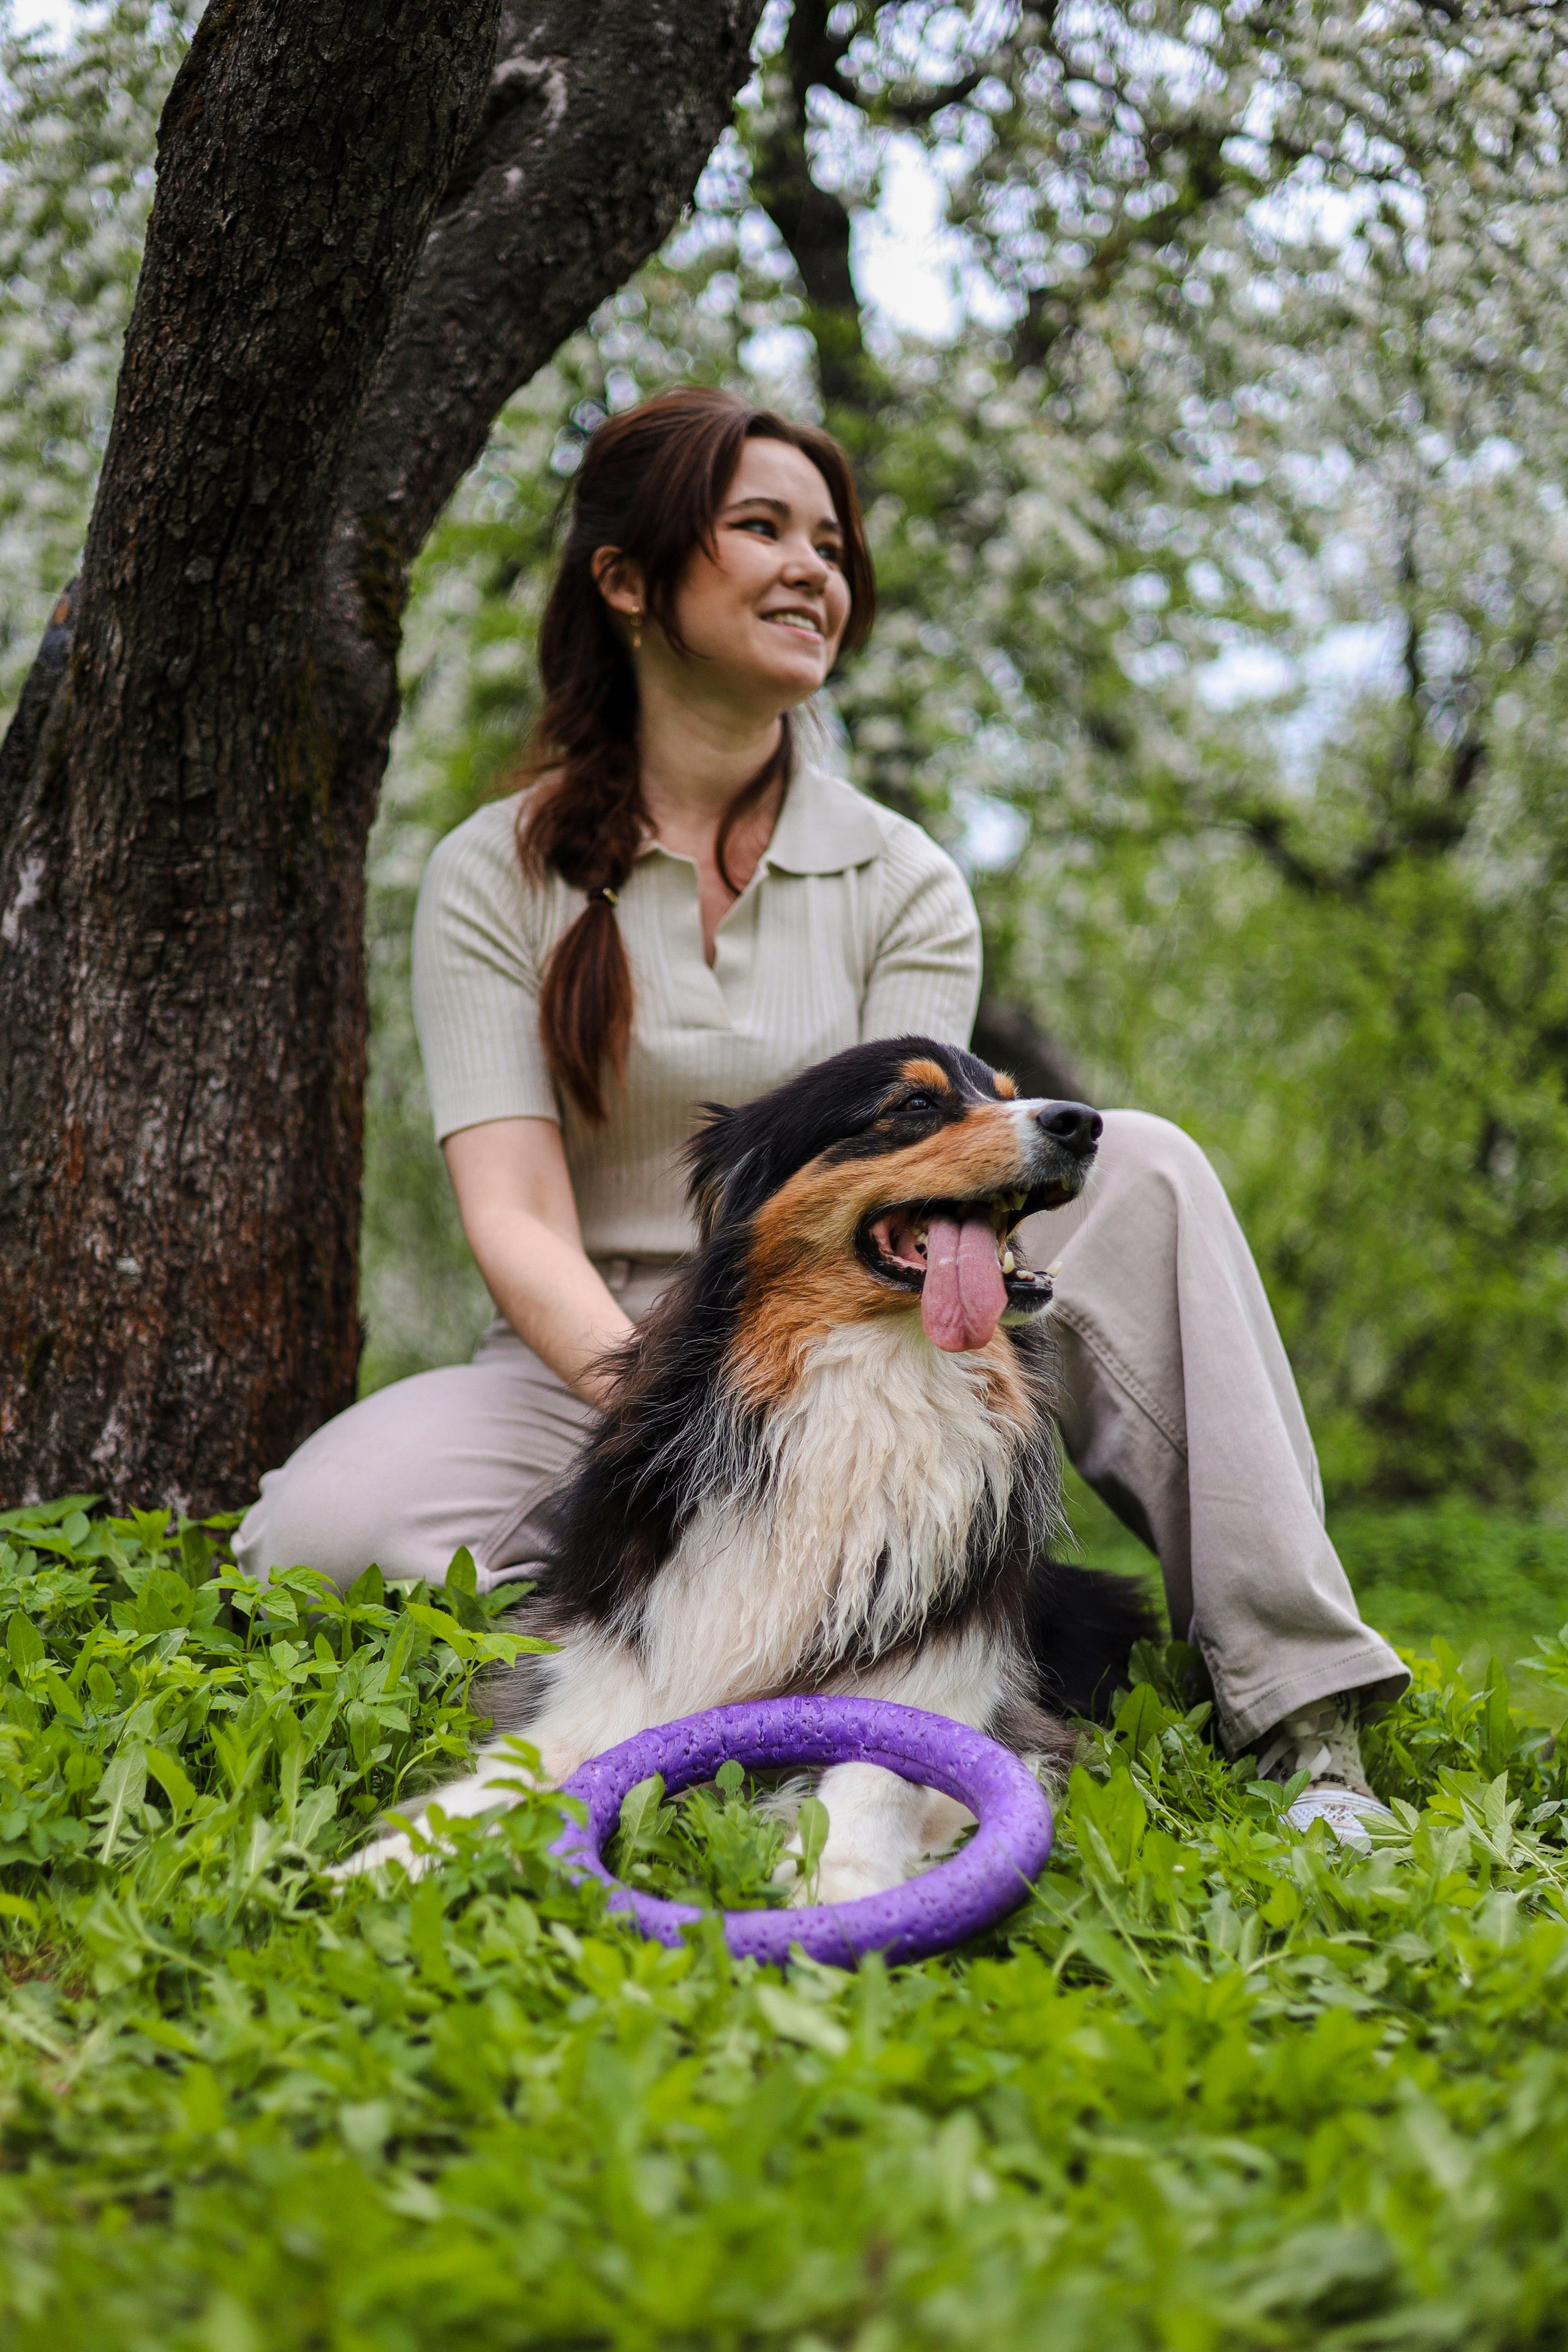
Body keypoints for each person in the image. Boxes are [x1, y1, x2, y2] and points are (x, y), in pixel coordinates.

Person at [236, 386, 1406, 1834]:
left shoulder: (901, 876)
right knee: (318, 1530)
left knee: (1146, 1167)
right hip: (588, 1358)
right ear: (626, 581)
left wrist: (784, 1410)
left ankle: (1302, 1722)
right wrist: (668, 1412)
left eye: (832, 545)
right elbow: (513, 1214)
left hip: (856, 1322)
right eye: (760, 530)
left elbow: (918, 1169)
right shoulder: (499, 871)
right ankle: (711, 1630)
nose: (814, 569)